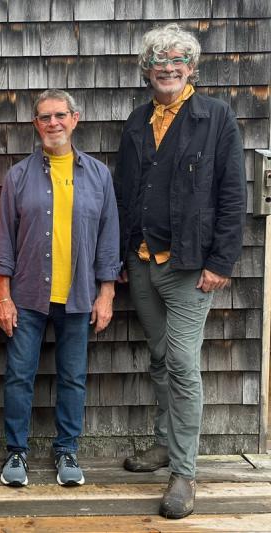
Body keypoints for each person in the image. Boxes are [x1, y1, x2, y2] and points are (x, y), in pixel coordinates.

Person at [115, 23, 246, 519]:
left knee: (183, 365)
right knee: (158, 356)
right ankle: (163, 445)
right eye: (159, 62)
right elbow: (126, 191)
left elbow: (233, 193)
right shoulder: (135, 120)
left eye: (177, 62)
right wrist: (124, 255)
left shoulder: (215, 117)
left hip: (192, 267)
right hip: (143, 263)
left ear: (191, 68)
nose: (168, 69)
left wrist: (221, 261)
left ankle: (184, 473)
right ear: (147, 70)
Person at [0, 90, 120, 489]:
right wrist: (3, 295)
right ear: (36, 125)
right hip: (28, 296)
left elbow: (109, 239)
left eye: (59, 116)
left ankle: (66, 450)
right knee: (18, 376)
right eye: (45, 118)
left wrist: (107, 293)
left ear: (75, 119)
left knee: (72, 377)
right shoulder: (18, 176)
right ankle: (16, 451)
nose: (53, 124)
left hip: (79, 297)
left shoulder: (98, 175)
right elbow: (4, 242)